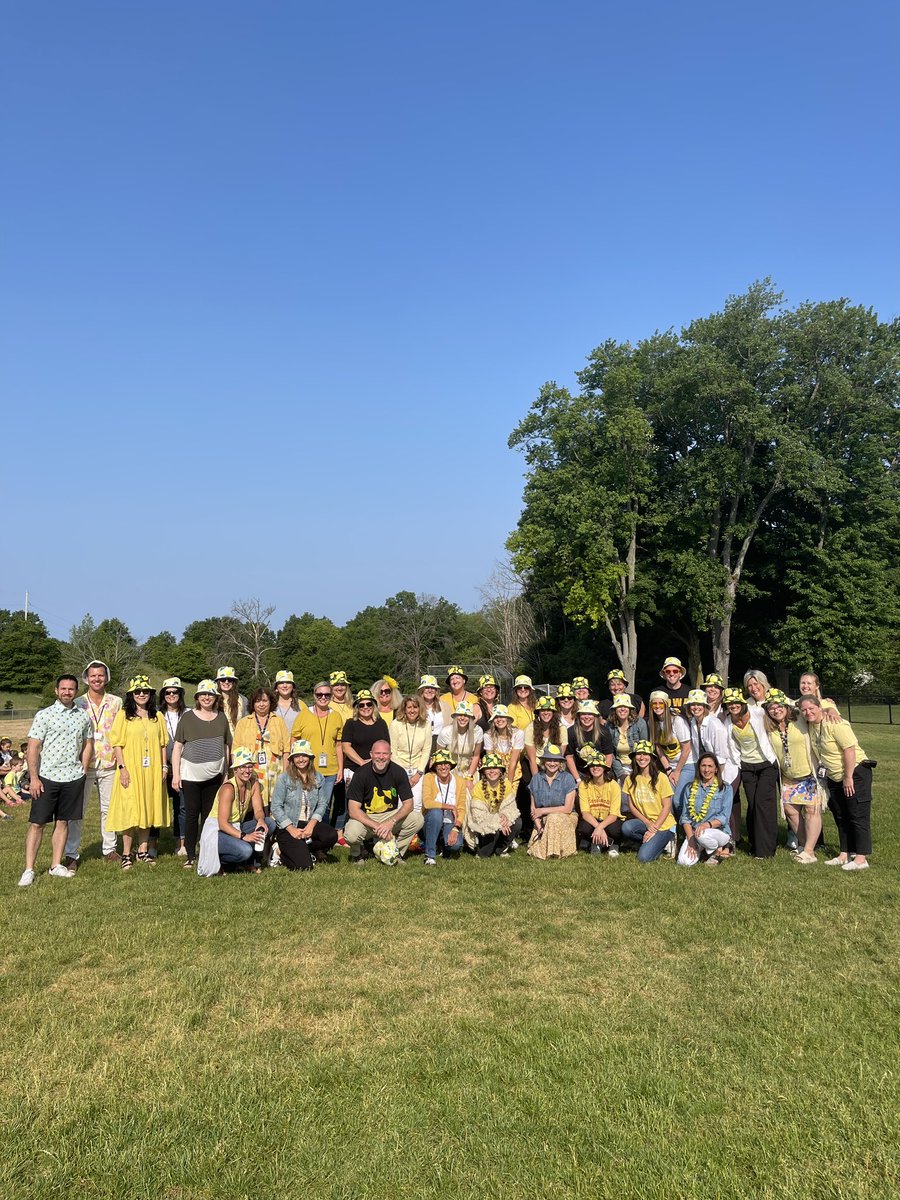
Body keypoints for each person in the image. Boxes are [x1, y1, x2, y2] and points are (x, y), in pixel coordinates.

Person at [19, 675, 94, 887]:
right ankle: (29, 869)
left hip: (73, 777)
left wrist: (83, 768)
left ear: (76, 692)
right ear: (56, 690)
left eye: (71, 689)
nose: (67, 692)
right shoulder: (45, 715)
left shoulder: (83, 716)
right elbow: (33, 747)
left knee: (63, 822)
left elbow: (88, 743)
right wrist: (34, 778)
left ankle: (55, 865)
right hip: (47, 778)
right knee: (37, 823)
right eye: (63, 688)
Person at [799, 695, 873, 871]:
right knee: (840, 815)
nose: (808, 712)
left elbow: (849, 749)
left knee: (857, 815)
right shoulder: (811, 726)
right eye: (804, 710)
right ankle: (844, 853)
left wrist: (848, 777)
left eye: (811, 708)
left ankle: (861, 858)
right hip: (833, 776)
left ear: (819, 707)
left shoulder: (836, 723)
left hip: (854, 772)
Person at [105, 675, 170, 869]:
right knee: (130, 809)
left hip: (152, 770)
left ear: (151, 694)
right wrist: (122, 768)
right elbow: (117, 743)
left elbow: (162, 743)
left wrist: (164, 766)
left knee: (147, 808)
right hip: (131, 769)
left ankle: (142, 851)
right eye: (138, 692)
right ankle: (126, 853)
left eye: (145, 691)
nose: (142, 694)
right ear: (131, 695)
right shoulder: (124, 715)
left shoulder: (157, 716)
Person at [64, 659, 122, 868]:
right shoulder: (78, 703)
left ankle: (109, 849)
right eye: (93, 675)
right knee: (77, 810)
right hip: (83, 764)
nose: (97, 678)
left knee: (108, 808)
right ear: (86, 678)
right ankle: (71, 853)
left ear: (106, 677)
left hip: (109, 763)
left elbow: (120, 732)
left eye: (101, 675)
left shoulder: (116, 702)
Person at [171, 680, 232, 870]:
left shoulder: (221, 718)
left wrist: (225, 773)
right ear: (197, 697)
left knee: (209, 816)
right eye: (203, 694)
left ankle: (207, 851)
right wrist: (175, 775)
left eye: (210, 695)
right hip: (191, 776)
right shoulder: (188, 718)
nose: (207, 698)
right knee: (191, 814)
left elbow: (226, 746)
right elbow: (178, 747)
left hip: (214, 776)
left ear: (215, 698)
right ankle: (190, 854)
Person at [763, 689, 822, 865]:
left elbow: (815, 704)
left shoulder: (800, 719)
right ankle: (804, 846)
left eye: (779, 705)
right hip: (788, 776)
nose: (776, 710)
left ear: (787, 706)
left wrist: (830, 707)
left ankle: (810, 851)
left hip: (809, 774)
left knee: (811, 810)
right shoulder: (770, 727)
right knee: (791, 811)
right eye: (771, 707)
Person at [344, 740, 423, 864]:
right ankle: (357, 854)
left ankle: (395, 852)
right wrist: (377, 826)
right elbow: (353, 810)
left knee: (417, 819)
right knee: (351, 833)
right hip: (366, 817)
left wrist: (391, 823)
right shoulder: (360, 774)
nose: (381, 757)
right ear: (371, 754)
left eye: (385, 754)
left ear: (390, 755)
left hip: (389, 815)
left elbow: (409, 804)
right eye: (378, 753)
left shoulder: (399, 772)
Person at [723, 687, 778, 858]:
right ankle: (755, 844)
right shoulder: (728, 722)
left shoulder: (758, 713)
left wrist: (828, 706)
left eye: (736, 702)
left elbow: (786, 707)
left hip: (766, 764)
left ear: (742, 702)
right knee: (753, 805)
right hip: (747, 766)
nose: (733, 706)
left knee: (763, 804)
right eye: (730, 703)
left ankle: (766, 849)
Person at [270, 739, 339, 870]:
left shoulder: (318, 777)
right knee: (305, 866)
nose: (300, 759)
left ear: (310, 758)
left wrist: (311, 826)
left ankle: (305, 848)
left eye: (304, 755)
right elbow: (276, 807)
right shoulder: (284, 779)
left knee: (331, 835)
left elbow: (323, 803)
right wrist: (292, 830)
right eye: (297, 756)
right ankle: (278, 851)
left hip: (308, 823)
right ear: (292, 759)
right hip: (289, 826)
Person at [212, 748, 274, 872]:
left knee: (269, 823)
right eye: (243, 767)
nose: (247, 771)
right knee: (245, 850)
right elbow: (222, 824)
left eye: (250, 766)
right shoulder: (228, 789)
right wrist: (244, 836)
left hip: (236, 826)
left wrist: (261, 820)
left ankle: (249, 860)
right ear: (235, 770)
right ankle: (221, 860)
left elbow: (258, 810)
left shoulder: (253, 784)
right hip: (217, 831)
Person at [233, 687, 290, 810]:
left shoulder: (279, 722)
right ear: (253, 704)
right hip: (252, 772)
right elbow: (235, 750)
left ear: (271, 703)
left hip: (276, 774)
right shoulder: (243, 723)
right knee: (254, 806)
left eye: (265, 701)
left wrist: (286, 774)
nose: (261, 704)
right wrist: (238, 774)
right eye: (258, 701)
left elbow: (287, 749)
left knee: (276, 807)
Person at [291, 682, 343, 813]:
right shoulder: (304, 714)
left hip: (330, 770)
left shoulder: (336, 716)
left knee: (324, 807)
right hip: (308, 768)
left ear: (331, 696)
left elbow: (338, 745)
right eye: (320, 694)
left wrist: (340, 768)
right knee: (307, 806)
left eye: (327, 694)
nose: (323, 697)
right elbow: (294, 739)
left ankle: (323, 832)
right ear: (314, 695)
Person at [621, 740, 676, 862]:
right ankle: (650, 841)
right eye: (639, 754)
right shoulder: (630, 779)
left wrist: (654, 828)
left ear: (651, 757)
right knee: (627, 827)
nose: (642, 757)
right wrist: (647, 823)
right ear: (634, 757)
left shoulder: (661, 777)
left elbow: (667, 806)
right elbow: (631, 806)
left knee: (643, 858)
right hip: (646, 822)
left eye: (645, 754)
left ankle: (667, 840)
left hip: (663, 824)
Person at [675, 752, 734, 866]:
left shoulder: (725, 788)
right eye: (703, 766)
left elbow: (724, 817)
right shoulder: (690, 787)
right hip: (695, 833)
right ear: (699, 768)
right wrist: (691, 839)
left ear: (716, 769)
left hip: (718, 832)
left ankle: (720, 848)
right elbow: (685, 817)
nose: (706, 770)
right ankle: (708, 851)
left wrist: (706, 825)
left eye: (710, 766)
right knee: (683, 862)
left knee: (702, 835)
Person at [463, 753, 521, 857]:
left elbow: (511, 807)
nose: (492, 771)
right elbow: (479, 816)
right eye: (488, 768)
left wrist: (506, 816)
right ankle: (482, 850)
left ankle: (500, 849)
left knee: (517, 822)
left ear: (501, 771)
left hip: (500, 819)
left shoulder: (507, 784)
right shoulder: (478, 788)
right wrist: (499, 820)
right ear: (484, 772)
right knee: (485, 854)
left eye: (495, 768)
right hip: (484, 824)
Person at [527, 745, 578, 860]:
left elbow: (568, 809)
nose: (552, 763)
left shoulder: (568, 778)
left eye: (556, 760)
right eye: (549, 760)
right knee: (550, 819)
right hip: (543, 819)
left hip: (567, 817)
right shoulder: (536, 779)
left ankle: (555, 852)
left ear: (560, 763)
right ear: (544, 762)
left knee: (553, 818)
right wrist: (539, 826)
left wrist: (543, 811)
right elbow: (533, 808)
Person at [575, 746, 623, 856]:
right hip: (593, 818)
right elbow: (585, 813)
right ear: (588, 768)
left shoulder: (614, 785)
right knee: (584, 828)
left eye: (599, 765)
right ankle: (596, 842)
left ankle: (613, 844)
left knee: (615, 830)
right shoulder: (584, 785)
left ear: (604, 768)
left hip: (609, 819)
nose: (595, 768)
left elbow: (614, 814)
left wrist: (600, 827)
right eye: (592, 765)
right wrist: (598, 827)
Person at [421, 748, 465, 865]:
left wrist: (456, 828)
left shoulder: (460, 782)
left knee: (456, 846)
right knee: (436, 812)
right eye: (439, 764)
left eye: (446, 763)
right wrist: (450, 807)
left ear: (450, 766)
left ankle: (443, 846)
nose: (443, 767)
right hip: (431, 821)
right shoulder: (429, 777)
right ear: (435, 767)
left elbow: (461, 807)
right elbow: (427, 802)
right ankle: (430, 855)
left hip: (450, 821)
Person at [158, 677, 187, 855]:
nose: (171, 695)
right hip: (160, 766)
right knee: (156, 804)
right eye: (167, 692)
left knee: (181, 805)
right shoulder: (156, 714)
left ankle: (181, 843)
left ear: (180, 694)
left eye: (174, 692)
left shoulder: (189, 713)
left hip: (183, 766)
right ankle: (151, 845)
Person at [389, 695, 432, 811]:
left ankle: (415, 829)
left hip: (417, 770)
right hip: (399, 768)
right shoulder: (395, 724)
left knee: (416, 805)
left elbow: (426, 750)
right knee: (399, 804)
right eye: (409, 707)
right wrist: (402, 773)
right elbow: (392, 750)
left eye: (415, 707)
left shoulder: (426, 724)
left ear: (420, 709)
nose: (412, 710)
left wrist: (418, 773)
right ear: (404, 709)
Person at [647, 692, 692, 794]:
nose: (657, 706)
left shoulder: (677, 721)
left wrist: (677, 772)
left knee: (677, 799)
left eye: (661, 703)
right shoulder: (652, 722)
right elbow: (658, 748)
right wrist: (668, 769)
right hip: (670, 765)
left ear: (666, 704)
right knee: (663, 795)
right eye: (654, 704)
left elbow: (687, 749)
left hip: (686, 764)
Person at [565, 700, 614, 781]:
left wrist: (602, 775)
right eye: (583, 714)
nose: (586, 717)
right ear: (579, 715)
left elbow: (608, 756)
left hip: (599, 770)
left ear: (595, 716)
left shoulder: (604, 732)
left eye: (590, 714)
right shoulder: (571, 732)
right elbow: (569, 757)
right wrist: (577, 779)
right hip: (579, 771)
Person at [437, 700, 483, 781]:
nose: (462, 718)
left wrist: (469, 776)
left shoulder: (477, 731)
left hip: (469, 771)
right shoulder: (446, 732)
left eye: (466, 715)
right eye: (460, 715)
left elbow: (476, 756)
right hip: (448, 771)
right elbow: (439, 756)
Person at [607, 694, 649, 780]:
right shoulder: (609, 725)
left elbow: (645, 750)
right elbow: (610, 752)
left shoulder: (640, 723)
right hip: (618, 768)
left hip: (638, 766)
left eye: (625, 706)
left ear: (630, 709)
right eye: (619, 706)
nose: (622, 709)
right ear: (615, 710)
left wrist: (638, 771)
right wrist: (621, 773)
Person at [483, 704, 524, 784]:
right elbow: (491, 761)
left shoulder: (518, 734)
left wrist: (509, 784)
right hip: (495, 775)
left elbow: (513, 762)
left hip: (514, 775)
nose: (499, 720)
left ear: (507, 719)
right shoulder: (488, 736)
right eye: (496, 717)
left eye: (502, 716)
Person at [526, 695, 561, 774]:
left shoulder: (561, 729)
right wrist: (537, 781)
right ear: (538, 713)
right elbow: (532, 759)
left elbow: (560, 756)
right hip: (536, 764)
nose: (546, 713)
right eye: (542, 710)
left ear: (553, 712)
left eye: (549, 710)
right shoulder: (530, 728)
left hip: (554, 763)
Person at [417, 674, 451, 744]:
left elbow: (450, 727)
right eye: (427, 687)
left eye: (432, 688)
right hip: (420, 743)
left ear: (436, 691)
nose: (430, 690)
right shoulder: (415, 706)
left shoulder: (445, 707)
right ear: (422, 690)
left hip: (441, 744)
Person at [216, 666, 248, 736]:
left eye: (230, 680)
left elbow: (247, 723)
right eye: (223, 679)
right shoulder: (213, 700)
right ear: (218, 682)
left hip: (238, 741)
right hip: (219, 742)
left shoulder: (243, 700)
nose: (226, 682)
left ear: (233, 682)